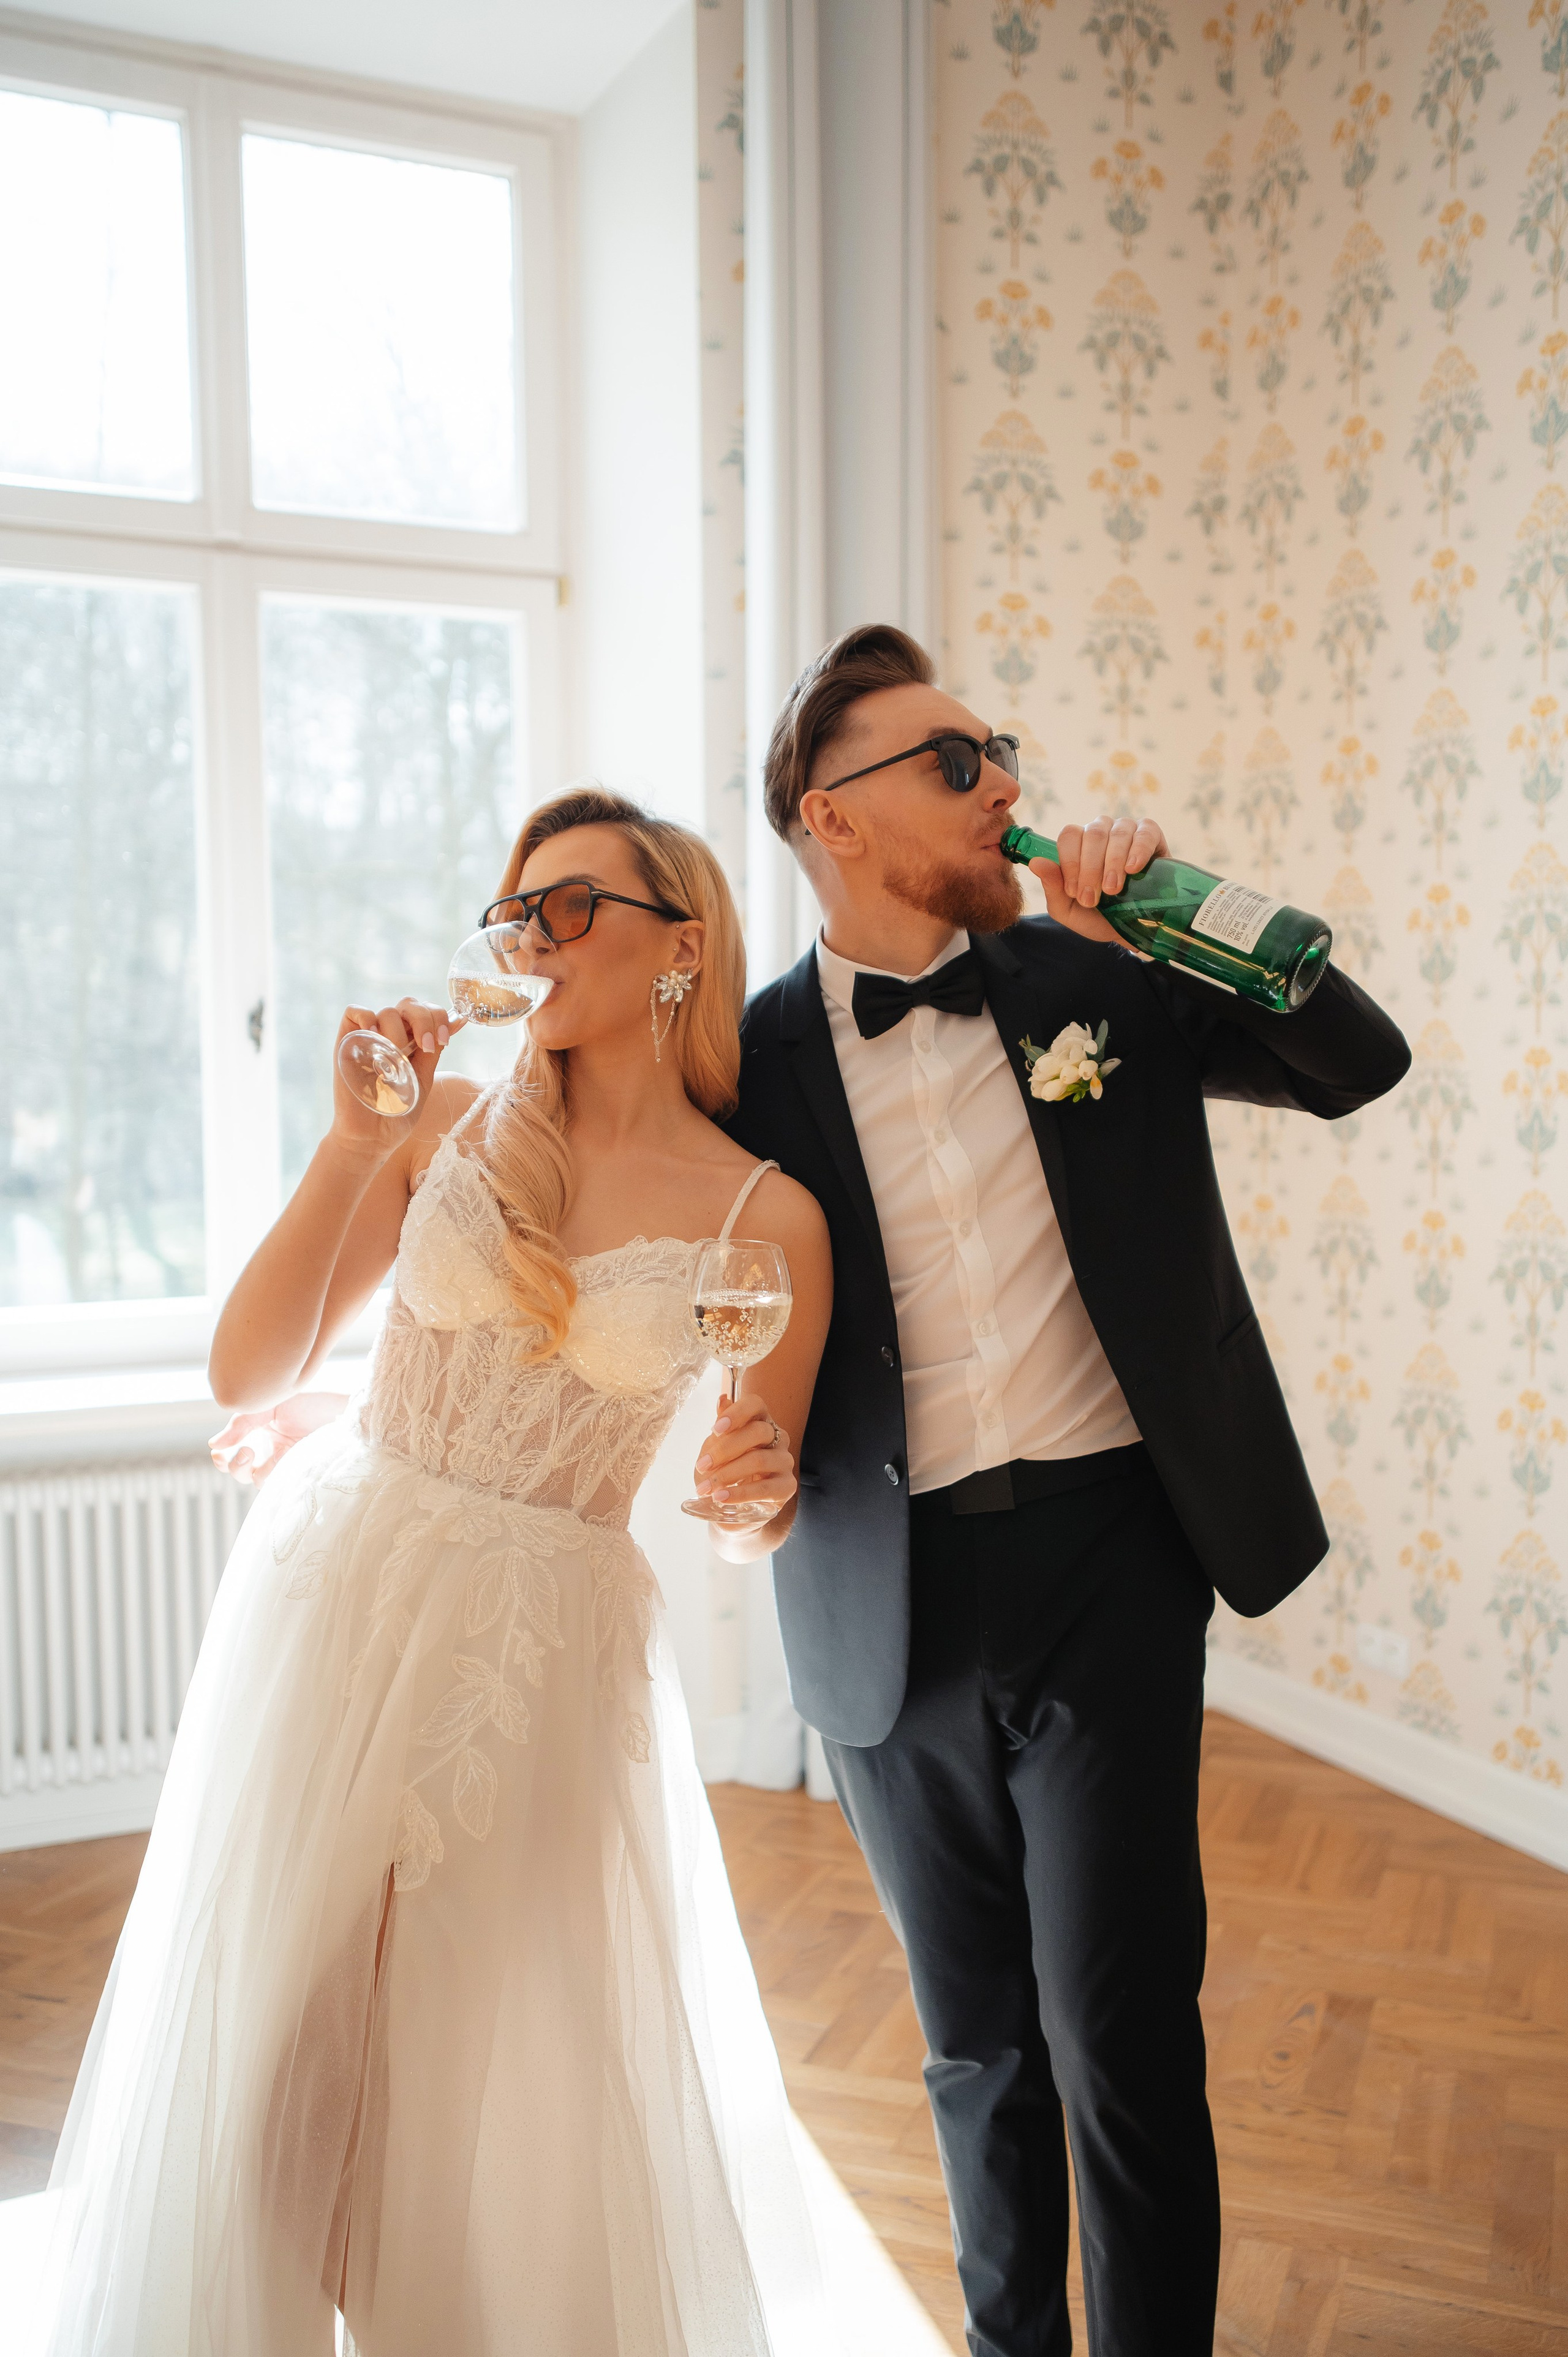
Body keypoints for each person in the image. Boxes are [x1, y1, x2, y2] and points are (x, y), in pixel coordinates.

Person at [45, 788, 834, 2357]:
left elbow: (754, 1505)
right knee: (270, 2066)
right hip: (340, 1597)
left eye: (570, 906)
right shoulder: (450, 1122)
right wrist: (355, 1147)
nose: (526, 936)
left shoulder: (766, 1218)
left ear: (681, 943)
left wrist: (759, 1501)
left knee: (470, 2102)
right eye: (513, 908)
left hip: (535, 1658)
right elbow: (244, 1366)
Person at [723, 624, 1412, 2357]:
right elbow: (679, 1264)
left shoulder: (1095, 981)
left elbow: (1358, 1062)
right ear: (836, 817)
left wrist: (1175, 904)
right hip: (886, 1599)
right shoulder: (749, 1060)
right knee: (975, 2047)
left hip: (1113, 1565)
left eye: (1002, 749)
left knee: (1124, 2035)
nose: (1006, 786)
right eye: (956, 762)